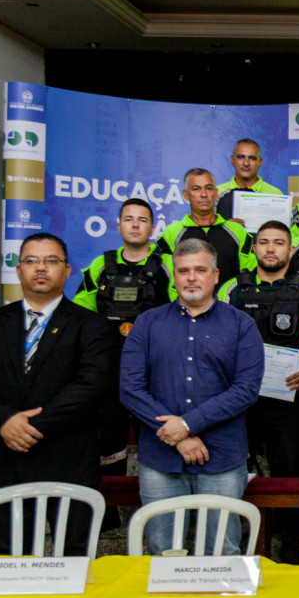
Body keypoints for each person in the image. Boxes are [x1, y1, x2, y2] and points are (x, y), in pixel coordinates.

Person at [0, 233, 116, 555]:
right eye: (31, 261)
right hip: (5, 459)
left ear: (67, 271)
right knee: (8, 559)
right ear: (19, 270)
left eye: (51, 261)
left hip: (69, 462)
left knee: (74, 559)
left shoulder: (92, 326)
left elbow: (91, 385)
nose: (41, 268)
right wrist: (4, 421)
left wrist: (29, 428)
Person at [120, 238, 264, 555]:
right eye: (183, 271)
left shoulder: (241, 324)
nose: (191, 278)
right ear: (174, 277)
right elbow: (130, 389)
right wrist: (178, 436)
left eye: (200, 270)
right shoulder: (147, 323)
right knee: (163, 553)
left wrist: (186, 426)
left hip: (222, 458)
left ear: (215, 275)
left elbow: (246, 389)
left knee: (222, 553)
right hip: (160, 458)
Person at [218, 220, 299, 564]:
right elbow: (213, 340)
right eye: (263, 242)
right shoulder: (231, 290)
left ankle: (291, 546)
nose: (270, 248)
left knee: (293, 474)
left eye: (278, 242)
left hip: (293, 402)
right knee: (229, 474)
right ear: (254, 248)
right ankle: (234, 546)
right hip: (239, 403)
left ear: (291, 250)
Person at [74, 198, 173, 528]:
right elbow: (81, 313)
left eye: (142, 220)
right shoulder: (99, 266)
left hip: (156, 366)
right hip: (109, 366)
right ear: (118, 226)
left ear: (152, 228)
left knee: (157, 433)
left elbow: (182, 311)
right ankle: (108, 513)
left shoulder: (168, 265)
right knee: (110, 438)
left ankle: (159, 510)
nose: (135, 225)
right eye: (128, 219)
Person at [157, 168, 255, 289]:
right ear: (186, 195)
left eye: (208, 188)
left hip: (230, 300)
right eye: (196, 189)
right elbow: (167, 281)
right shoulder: (171, 233)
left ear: (216, 193)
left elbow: (250, 273)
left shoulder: (237, 231)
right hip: (187, 300)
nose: (203, 194)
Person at [215, 138, 286, 223]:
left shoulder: (275, 194)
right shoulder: (216, 193)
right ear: (232, 160)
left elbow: (282, 229)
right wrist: (226, 226)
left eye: (252, 158)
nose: (246, 163)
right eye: (241, 157)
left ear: (260, 163)